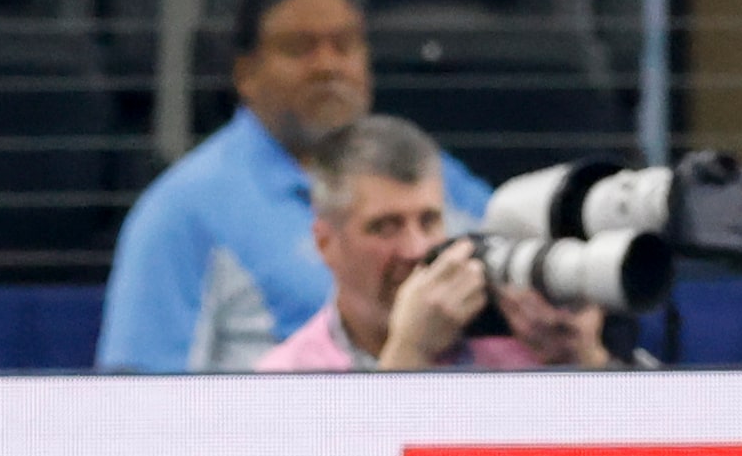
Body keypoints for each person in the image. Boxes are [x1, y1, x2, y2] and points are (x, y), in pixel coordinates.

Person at [95, 0, 492, 371]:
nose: (328, 66)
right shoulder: (183, 209)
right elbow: (138, 398)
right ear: (246, 74)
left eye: (344, 44)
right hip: (269, 428)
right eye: (300, 48)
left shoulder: (428, 174)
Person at [254, 114, 608, 371]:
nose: (417, 249)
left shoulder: (516, 339)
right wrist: (411, 350)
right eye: (385, 227)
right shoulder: (288, 379)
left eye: (428, 220)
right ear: (326, 242)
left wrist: (585, 356)